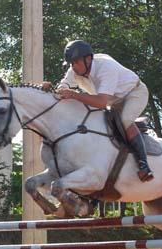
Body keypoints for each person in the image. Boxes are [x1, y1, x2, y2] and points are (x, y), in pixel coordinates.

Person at [43, 40, 154, 182]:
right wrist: (49, 88)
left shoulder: (106, 66)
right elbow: (63, 87)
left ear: (88, 59)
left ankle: (144, 165)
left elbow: (101, 102)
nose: (73, 67)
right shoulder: (74, 70)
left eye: (76, 62)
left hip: (134, 94)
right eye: (71, 63)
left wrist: (74, 95)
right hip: (112, 101)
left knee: (124, 120)